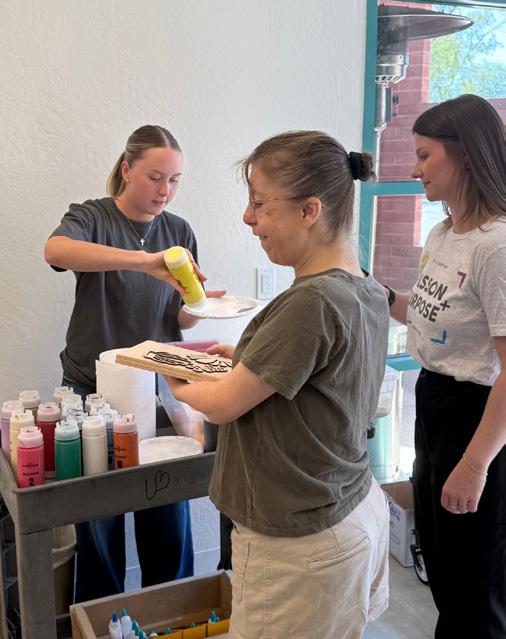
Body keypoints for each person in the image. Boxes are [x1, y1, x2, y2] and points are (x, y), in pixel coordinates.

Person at [165, 131, 391, 638]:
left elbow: (222, 404)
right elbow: (320, 377)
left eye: (260, 204)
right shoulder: (364, 285)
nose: (248, 218)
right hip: (350, 505)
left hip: (302, 544)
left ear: (309, 210)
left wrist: (175, 376)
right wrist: (246, 361)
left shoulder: (311, 301)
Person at [44, 124, 223, 602]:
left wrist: (202, 305)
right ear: (126, 170)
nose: (165, 191)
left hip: (160, 390)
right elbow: (55, 251)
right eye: (155, 177)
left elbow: (178, 318)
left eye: (175, 180)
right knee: (98, 520)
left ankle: (170, 614)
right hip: (91, 391)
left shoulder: (179, 232)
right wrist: (143, 261)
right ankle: (103, 621)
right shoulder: (92, 216)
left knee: (165, 510)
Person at [385, 95, 506, 638]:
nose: (415, 170)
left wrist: (475, 465)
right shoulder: (444, 233)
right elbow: (427, 310)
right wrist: (374, 291)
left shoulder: (496, 247)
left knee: (477, 586)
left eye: (424, 155)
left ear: (467, 156)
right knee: (444, 568)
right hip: (433, 401)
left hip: (479, 417)